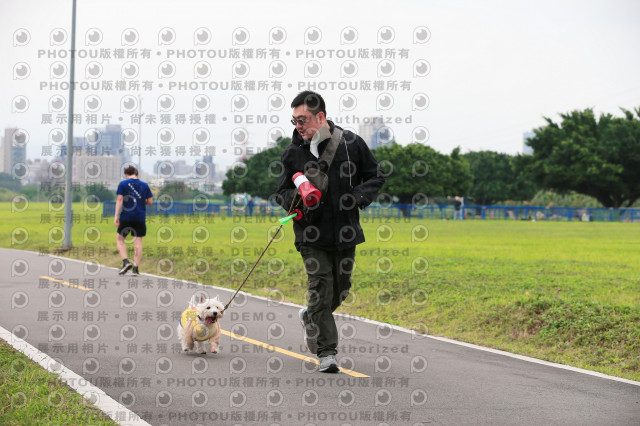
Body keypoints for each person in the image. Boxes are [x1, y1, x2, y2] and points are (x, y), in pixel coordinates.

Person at [276, 91, 385, 373]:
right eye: (294, 120)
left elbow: (376, 174)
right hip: (310, 234)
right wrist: (297, 200)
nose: (298, 126)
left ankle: (310, 315)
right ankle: (327, 353)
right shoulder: (292, 153)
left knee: (341, 290)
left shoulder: (351, 144)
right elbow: (281, 191)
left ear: (320, 116)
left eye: (302, 120)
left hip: (346, 231)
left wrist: (357, 197)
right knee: (321, 288)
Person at [114, 165, 153, 276]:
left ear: (126, 174)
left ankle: (126, 262)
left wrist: (116, 216)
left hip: (126, 217)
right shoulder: (145, 185)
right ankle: (135, 269)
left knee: (120, 239)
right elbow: (150, 201)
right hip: (140, 217)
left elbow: (119, 200)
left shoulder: (123, 184)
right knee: (138, 242)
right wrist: (140, 202)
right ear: (137, 174)